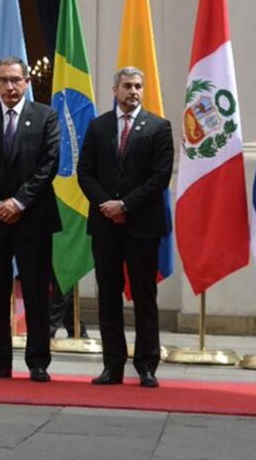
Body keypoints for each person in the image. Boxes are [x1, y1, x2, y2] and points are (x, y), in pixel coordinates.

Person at [0, 57, 61, 381]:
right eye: (4, 80)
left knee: (35, 291)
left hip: (33, 217)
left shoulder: (45, 116)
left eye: (16, 80)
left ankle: (38, 362)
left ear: (27, 82)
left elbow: (49, 163)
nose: (10, 86)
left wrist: (18, 202)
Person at [78, 66, 173, 388]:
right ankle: (112, 366)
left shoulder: (159, 127)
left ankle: (147, 365)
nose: (133, 91)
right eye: (127, 86)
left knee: (144, 296)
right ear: (115, 90)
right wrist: (106, 205)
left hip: (142, 225)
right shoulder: (98, 126)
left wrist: (125, 206)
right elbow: (85, 171)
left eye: (138, 86)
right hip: (105, 225)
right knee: (108, 296)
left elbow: (160, 177)